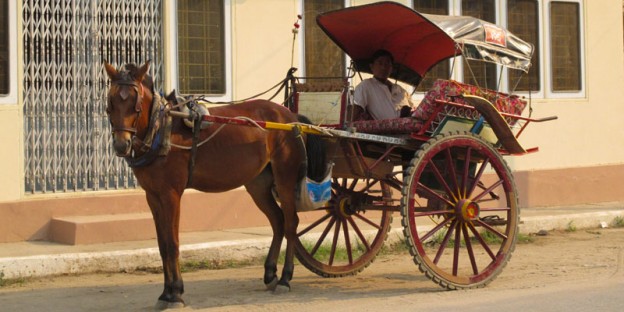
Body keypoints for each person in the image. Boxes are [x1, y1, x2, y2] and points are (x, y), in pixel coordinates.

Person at [349, 49, 414, 121]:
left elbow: (412, 108)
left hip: (408, 126)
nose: (383, 67)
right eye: (380, 63)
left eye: (387, 64)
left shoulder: (400, 89)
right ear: (372, 66)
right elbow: (355, 109)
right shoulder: (366, 85)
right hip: (384, 129)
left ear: (391, 68)